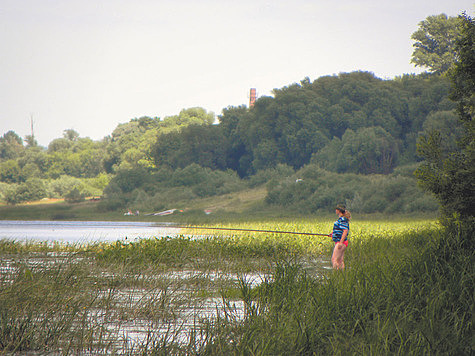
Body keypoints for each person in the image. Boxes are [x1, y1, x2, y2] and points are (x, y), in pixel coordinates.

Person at [329, 204, 351, 270]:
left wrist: (341, 243)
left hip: (341, 242)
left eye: (336, 209)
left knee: (334, 259)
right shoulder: (341, 219)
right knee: (340, 260)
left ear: (339, 211)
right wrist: (333, 234)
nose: (335, 210)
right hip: (340, 241)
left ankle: (336, 274)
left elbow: (345, 231)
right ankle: (342, 275)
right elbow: (340, 230)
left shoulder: (342, 219)